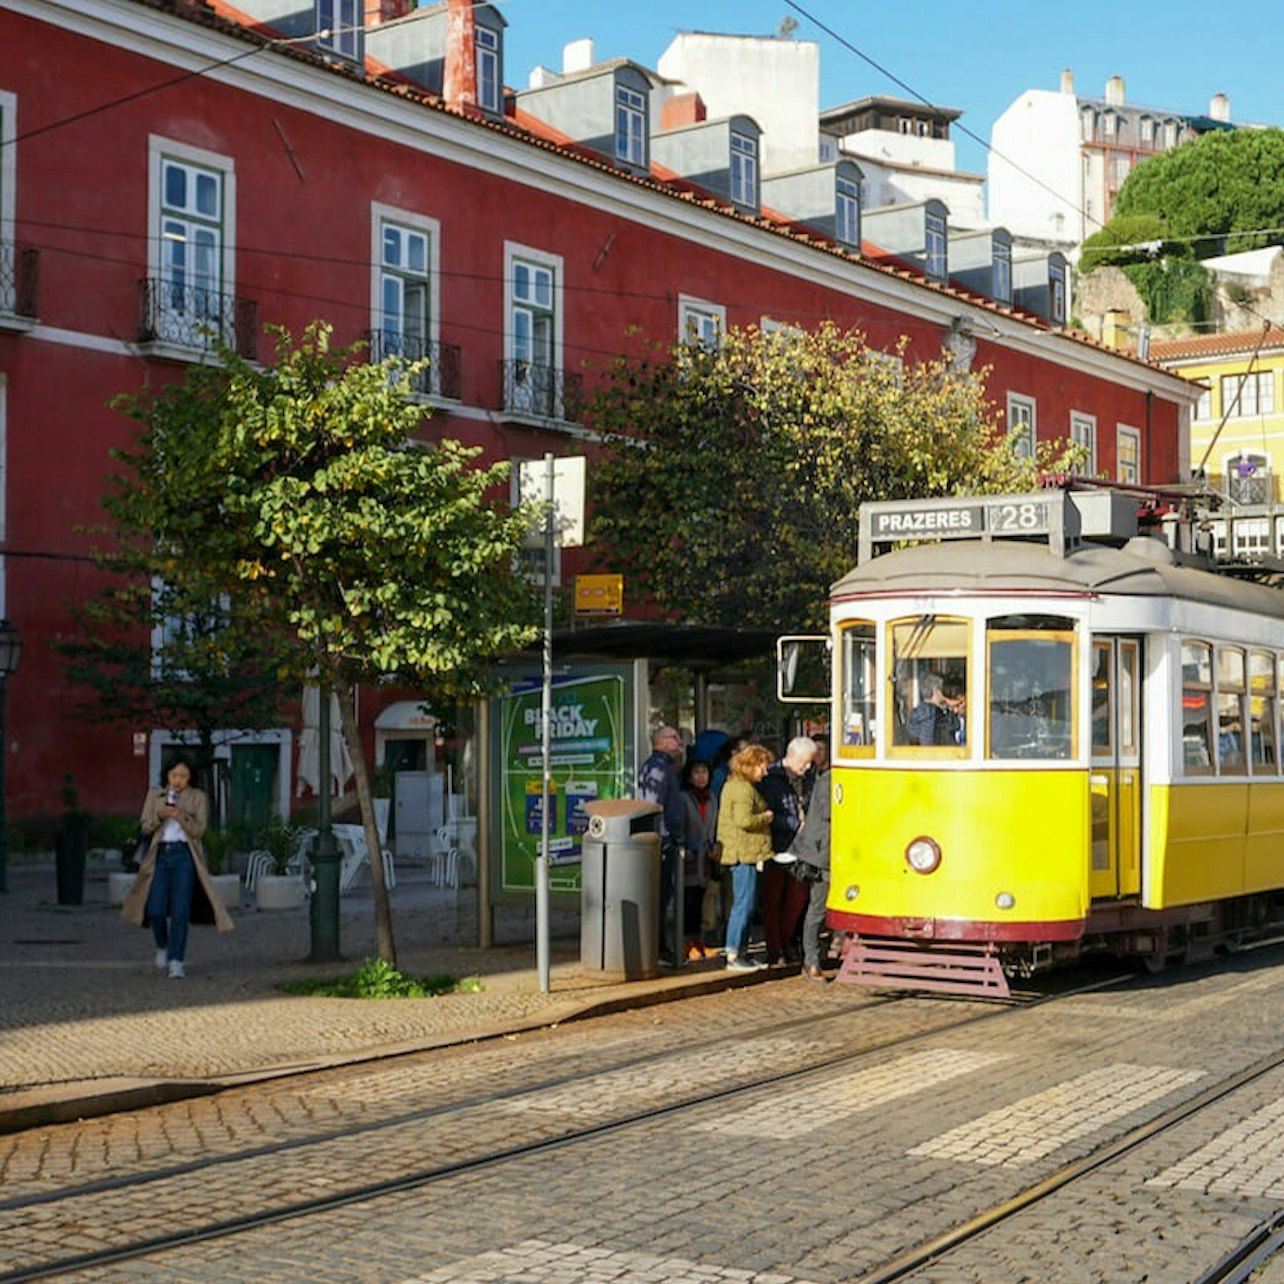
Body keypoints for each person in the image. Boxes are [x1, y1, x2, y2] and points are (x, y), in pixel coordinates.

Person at [121, 755, 233, 977]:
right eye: (174, 775)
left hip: (185, 856)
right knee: (156, 908)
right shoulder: (156, 795)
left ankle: (176, 960)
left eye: (183, 776)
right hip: (160, 854)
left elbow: (199, 830)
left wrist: (180, 815)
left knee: (180, 911)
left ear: (190, 777)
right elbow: (145, 826)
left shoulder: (197, 797)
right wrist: (160, 816)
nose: (178, 780)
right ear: (167, 776)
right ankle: (161, 946)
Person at [756, 736, 817, 966]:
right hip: (777, 845)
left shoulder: (808, 778)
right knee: (773, 900)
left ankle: (788, 941)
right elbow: (766, 812)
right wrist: (792, 824)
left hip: (802, 847)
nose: (808, 767)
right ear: (791, 757)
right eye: (805, 762)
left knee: (796, 899)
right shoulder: (770, 778)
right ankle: (776, 948)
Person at [716, 744, 775, 971]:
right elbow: (744, 820)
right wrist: (766, 817)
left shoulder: (737, 786)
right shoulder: (742, 789)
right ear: (750, 766)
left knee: (745, 903)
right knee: (744, 904)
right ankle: (733, 952)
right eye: (763, 766)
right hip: (744, 853)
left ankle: (741, 951)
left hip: (745, 852)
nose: (765, 772)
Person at [637, 725, 687, 964]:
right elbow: (654, 807)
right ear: (661, 742)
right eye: (674, 737)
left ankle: (660, 947)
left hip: (665, 841)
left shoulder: (665, 767)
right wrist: (667, 838)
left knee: (664, 896)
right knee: (659, 897)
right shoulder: (657, 768)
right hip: (662, 843)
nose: (679, 741)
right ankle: (656, 949)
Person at [789, 767, 832, 981]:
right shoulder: (828, 780)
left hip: (836, 852)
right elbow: (828, 812)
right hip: (822, 854)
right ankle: (811, 959)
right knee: (818, 907)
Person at [681, 759, 719, 958]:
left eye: (704, 772)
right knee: (689, 902)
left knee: (701, 902)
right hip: (690, 858)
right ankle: (687, 943)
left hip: (707, 858)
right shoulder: (684, 798)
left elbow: (714, 826)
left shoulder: (712, 798)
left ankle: (698, 942)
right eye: (697, 772)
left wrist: (715, 847)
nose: (701, 776)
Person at [907, 674, 965, 746]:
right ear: (936, 689)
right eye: (942, 689)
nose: (945, 693)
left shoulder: (915, 714)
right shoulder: (933, 715)